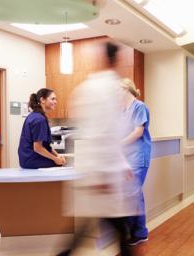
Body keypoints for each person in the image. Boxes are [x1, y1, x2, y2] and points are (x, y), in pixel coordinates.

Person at [60, 41, 139, 256]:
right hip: (100, 173)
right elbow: (100, 133)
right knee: (116, 227)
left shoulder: (90, 87)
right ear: (114, 60)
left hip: (98, 171)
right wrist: (102, 175)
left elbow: (109, 134)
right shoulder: (103, 89)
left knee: (101, 226)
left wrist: (121, 165)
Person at [120, 78, 151, 246]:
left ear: (126, 90)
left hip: (139, 156)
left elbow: (138, 132)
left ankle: (139, 232)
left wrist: (120, 143)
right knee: (130, 193)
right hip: (127, 157)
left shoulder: (139, 107)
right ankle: (133, 231)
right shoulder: (123, 110)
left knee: (133, 193)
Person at [18, 88, 66, 169]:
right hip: (32, 160)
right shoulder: (39, 119)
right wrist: (56, 159)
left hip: (27, 159)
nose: (55, 102)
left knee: (60, 161)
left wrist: (58, 156)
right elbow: (38, 148)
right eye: (53, 99)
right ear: (42, 100)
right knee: (60, 165)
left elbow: (45, 146)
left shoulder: (34, 115)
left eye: (56, 99)